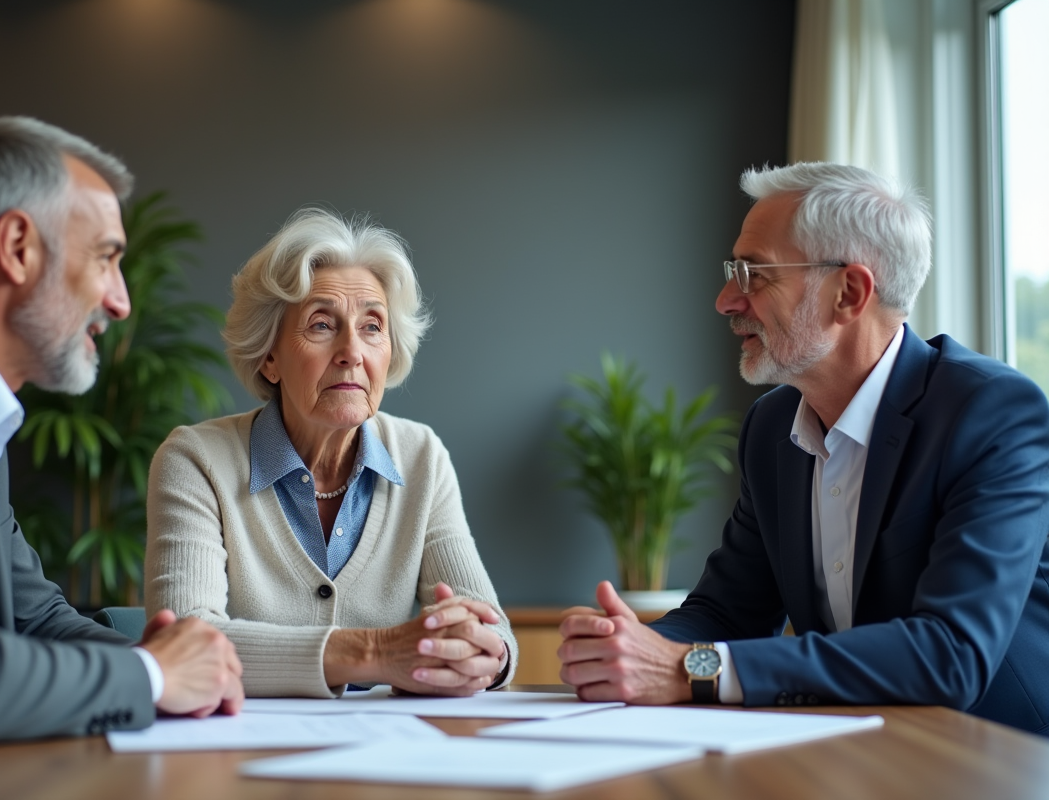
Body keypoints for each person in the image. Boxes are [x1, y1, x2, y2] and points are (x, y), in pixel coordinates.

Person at [559, 162, 1049, 734]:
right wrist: (632, 646)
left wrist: (693, 667)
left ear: (849, 292)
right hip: (852, 750)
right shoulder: (771, 428)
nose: (724, 300)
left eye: (754, 274)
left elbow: (951, 654)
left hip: (996, 757)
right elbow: (728, 610)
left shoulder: (992, 413)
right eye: (731, 271)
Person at [0, 117, 243, 766]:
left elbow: (35, 619)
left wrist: (182, 661)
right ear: (18, 247)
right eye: (107, 258)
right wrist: (154, 677)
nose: (120, 303)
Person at [145, 208, 517, 698]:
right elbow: (184, 646)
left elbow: (494, 632)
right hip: (238, 761)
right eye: (322, 325)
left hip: (387, 756)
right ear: (269, 357)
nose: (352, 352)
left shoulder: (421, 455)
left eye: (372, 326)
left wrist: (481, 652)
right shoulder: (196, 460)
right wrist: (376, 654)